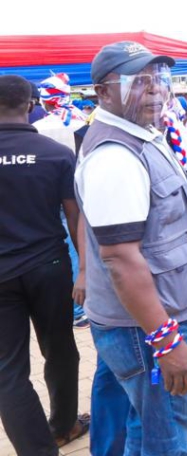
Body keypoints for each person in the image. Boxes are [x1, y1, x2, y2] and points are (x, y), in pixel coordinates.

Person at [76, 42, 187, 455]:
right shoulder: (115, 155)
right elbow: (121, 259)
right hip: (149, 326)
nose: (155, 90)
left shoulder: (140, 135)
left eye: (160, 79)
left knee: (146, 428)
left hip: (153, 317)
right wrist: (165, 341)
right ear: (103, 91)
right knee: (169, 436)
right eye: (138, 81)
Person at [0, 75, 90, 455]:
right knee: (61, 349)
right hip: (50, 266)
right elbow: (76, 218)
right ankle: (64, 424)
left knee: (7, 371)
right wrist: (85, 269)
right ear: (31, 103)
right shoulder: (55, 152)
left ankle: (38, 448)